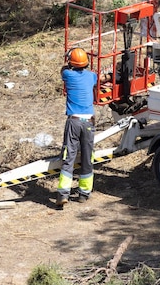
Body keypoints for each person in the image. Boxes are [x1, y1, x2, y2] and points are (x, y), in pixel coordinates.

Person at [56, 47, 98, 208]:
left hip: (73, 121)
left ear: (71, 62)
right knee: (87, 157)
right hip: (88, 122)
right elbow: (95, 78)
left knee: (69, 157)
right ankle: (83, 193)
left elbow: (63, 69)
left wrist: (68, 59)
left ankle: (63, 194)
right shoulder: (91, 76)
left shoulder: (67, 75)